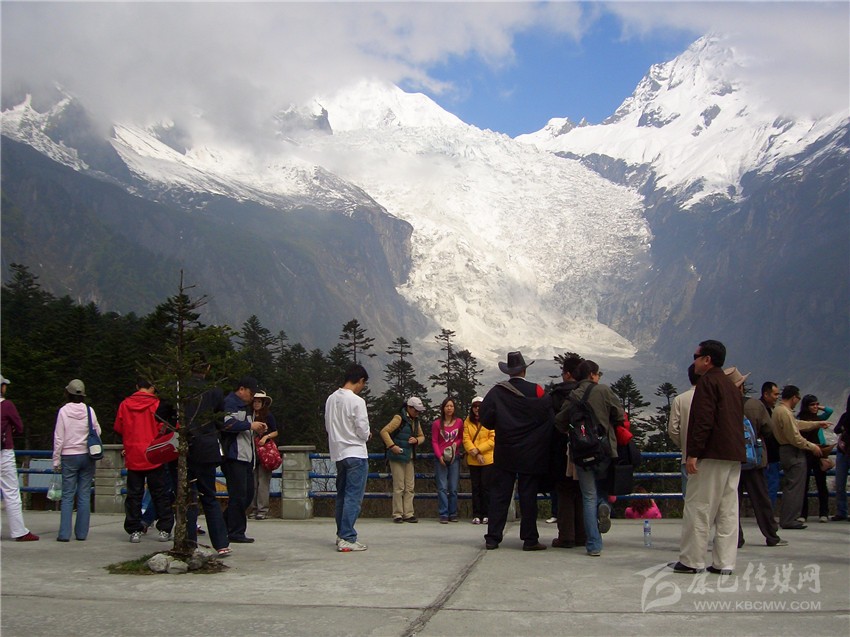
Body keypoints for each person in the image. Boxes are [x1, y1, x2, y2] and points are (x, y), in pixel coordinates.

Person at [670, 340, 744, 575]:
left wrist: (694, 453)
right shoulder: (731, 385)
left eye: (696, 356)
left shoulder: (707, 383)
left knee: (699, 506)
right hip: (733, 455)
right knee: (728, 510)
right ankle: (725, 562)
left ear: (707, 359)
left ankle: (692, 560)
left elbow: (703, 421)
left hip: (711, 454)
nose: (693, 361)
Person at [481, 351, 553, 552]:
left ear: (508, 372)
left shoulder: (497, 392)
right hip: (531, 453)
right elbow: (549, 416)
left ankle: (493, 538)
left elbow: (486, 419)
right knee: (528, 496)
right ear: (524, 370)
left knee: (500, 496)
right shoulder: (537, 391)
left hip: (505, 452)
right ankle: (530, 539)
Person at [555, 359, 623, 557]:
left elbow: (559, 421)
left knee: (588, 496)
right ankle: (604, 505)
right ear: (592, 374)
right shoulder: (604, 391)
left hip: (582, 452)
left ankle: (593, 544)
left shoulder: (574, 394)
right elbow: (619, 415)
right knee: (602, 490)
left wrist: (574, 432)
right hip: (604, 450)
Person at [725, 368, 786, 548]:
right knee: (761, 499)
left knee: (732, 502)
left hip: (731, 461)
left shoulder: (722, 406)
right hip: (754, 461)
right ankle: (771, 535)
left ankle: (736, 538)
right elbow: (768, 429)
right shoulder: (755, 405)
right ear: (742, 386)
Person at [114, 379, 174, 543]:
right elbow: (165, 427)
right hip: (154, 454)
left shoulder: (125, 405)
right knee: (160, 494)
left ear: (137, 386)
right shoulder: (157, 404)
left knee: (134, 495)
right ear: (153, 388)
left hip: (134, 454)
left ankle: (134, 529)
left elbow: (119, 427)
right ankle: (165, 528)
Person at [184, 362, 230, 556]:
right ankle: (221, 543)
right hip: (208, 446)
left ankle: (188, 542)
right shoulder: (215, 391)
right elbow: (221, 419)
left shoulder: (179, 388)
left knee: (188, 497)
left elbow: (162, 414)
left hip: (185, 446)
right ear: (208, 368)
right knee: (209, 496)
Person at [325, 364, 371, 552]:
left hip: (339, 452)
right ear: (360, 380)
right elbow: (362, 429)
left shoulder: (331, 399)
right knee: (353, 497)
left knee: (342, 495)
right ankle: (347, 537)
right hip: (356, 453)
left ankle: (341, 534)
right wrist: (367, 435)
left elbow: (328, 425)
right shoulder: (357, 401)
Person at [771, 385, 827, 530]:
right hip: (792, 451)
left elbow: (796, 424)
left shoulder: (779, 410)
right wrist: (812, 446)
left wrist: (816, 424)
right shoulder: (785, 412)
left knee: (792, 485)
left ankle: (789, 517)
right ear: (794, 397)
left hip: (785, 450)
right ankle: (790, 519)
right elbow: (795, 436)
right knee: (795, 487)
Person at [52, 379, 100, 542]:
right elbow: (98, 431)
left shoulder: (63, 411)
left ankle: (64, 534)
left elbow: (59, 437)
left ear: (68, 393)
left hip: (69, 456)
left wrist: (56, 460)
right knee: (84, 494)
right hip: (87, 455)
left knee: (67, 495)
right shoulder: (89, 410)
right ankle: (81, 533)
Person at [221, 376, 267, 543]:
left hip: (246, 456)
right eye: (251, 393)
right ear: (241, 389)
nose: (252, 397)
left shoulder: (245, 407)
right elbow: (227, 424)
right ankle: (236, 532)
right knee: (239, 495)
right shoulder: (230, 403)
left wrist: (256, 428)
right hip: (234, 456)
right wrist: (249, 425)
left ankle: (223, 523)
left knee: (247, 495)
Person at [548, 355, 586, 548]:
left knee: (564, 492)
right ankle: (583, 534)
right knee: (583, 491)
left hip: (561, 450)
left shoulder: (555, 395)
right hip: (586, 448)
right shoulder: (588, 392)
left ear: (567, 374)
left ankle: (566, 536)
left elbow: (551, 424)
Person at [0, 375, 39, 541]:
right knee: (11, 492)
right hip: (4, 452)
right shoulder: (7, 405)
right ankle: (19, 531)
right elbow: (19, 427)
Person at [380, 397, 426, 523]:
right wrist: (392, 446)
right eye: (416, 410)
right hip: (397, 457)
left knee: (410, 487)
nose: (417, 413)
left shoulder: (415, 421)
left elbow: (422, 436)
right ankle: (398, 514)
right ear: (409, 408)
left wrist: (416, 440)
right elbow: (384, 431)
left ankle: (408, 513)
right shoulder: (399, 418)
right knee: (399, 486)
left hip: (409, 456)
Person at [797, 394, 834, 523]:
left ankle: (824, 512)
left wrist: (819, 407)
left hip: (819, 453)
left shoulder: (818, 419)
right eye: (812, 405)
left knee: (821, 484)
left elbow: (829, 411)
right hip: (806, 453)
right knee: (804, 485)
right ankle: (803, 513)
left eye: (817, 404)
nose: (815, 407)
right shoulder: (800, 420)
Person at [462, 396, 494, 525]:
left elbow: (492, 439)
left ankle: (487, 514)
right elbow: (466, 439)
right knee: (475, 488)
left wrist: (479, 450)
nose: (477, 409)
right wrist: (474, 451)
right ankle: (476, 514)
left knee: (486, 488)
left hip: (487, 459)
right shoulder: (467, 422)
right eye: (475, 406)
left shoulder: (489, 420)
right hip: (473, 459)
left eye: (479, 406)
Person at [668, 364, 698, 497]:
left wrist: (683, 444)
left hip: (687, 458)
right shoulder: (714, 398)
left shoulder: (680, 399)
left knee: (689, 497)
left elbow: (673, 430)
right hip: (711, 460)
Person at [432, 397, 464, 524]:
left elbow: (461, 437)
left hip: (454, 457)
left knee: (453, 487)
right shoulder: (436, 424)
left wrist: (456, 444)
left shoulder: (459, 422)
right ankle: (443, 513)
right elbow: (434, 441)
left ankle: (453, 513)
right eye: (447, 406)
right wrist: (439, 456)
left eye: (451, 406)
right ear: (443, 408)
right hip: (440, 458)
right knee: (442, 487)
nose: (449, 408)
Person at [249, 391, 279, 521]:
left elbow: (275, 431)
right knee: (252, 482)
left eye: (259, 402)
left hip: (264, 451)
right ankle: (253, 508)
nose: (256, 404)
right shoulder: (249, 416)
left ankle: (262, 510)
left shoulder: (268, 416)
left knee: (263, 482)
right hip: (251, 451)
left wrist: (265, 437)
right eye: (254, 401)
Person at [759, 382, 782, 507]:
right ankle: (767, 512)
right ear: (766, 394)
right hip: (769, 456)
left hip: (766, 455)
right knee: (771, 486)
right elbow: (767, 432)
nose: (777, 397)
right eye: (775, 394)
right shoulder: (763, 410)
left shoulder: (765, 409)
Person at [831, 395, 850, 521]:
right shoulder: (845, 416)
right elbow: (837, 429)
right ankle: (841, 511)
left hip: (844, 451)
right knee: (839, 483)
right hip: (843, 451)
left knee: (840, 483)